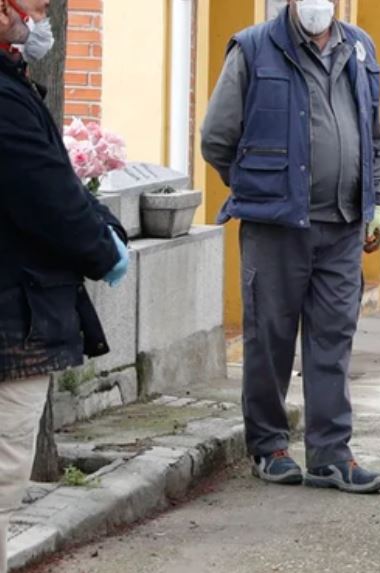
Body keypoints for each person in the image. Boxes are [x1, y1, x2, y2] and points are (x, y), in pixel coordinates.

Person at [201, 0, 380, 493]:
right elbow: (217, 138)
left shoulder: (360, 48)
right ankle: (269, 447)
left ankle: (330, 455)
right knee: (270, 338)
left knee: (333, 341)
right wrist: (262, 187)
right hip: (277, 226)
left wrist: (379, 203)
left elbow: (373, 139)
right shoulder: (253, 47)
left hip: (344, 225)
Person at [0, 0, 129, 569]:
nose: (42, 14)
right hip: (13, 320)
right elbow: (47, 194)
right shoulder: (4, 99)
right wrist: (106, 247)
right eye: (34, 3)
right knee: (2, 478)